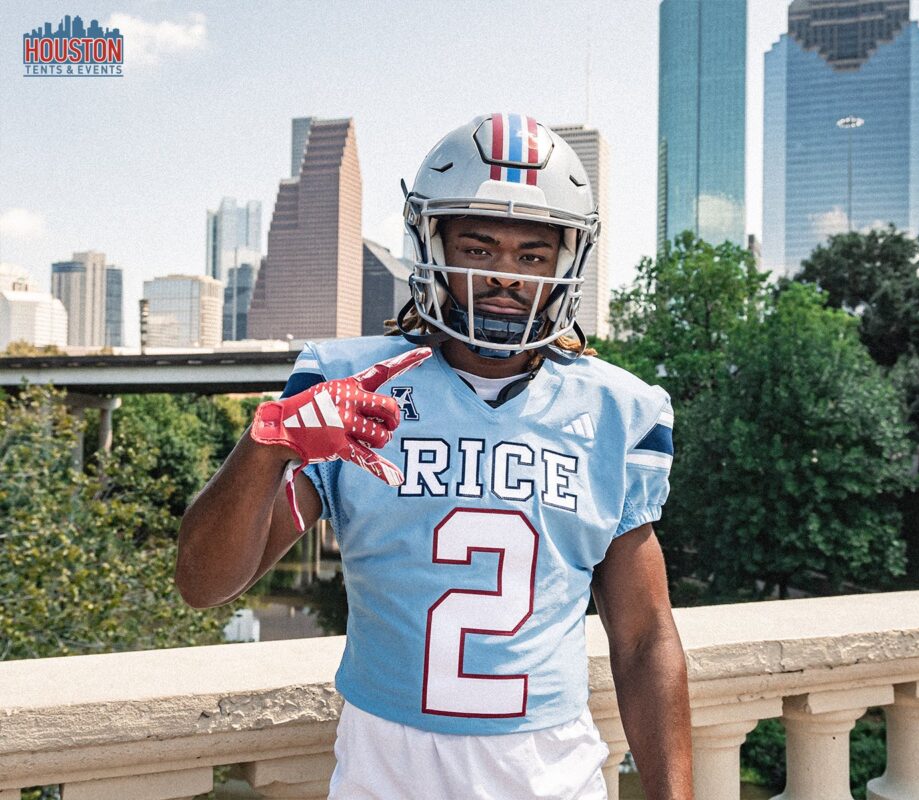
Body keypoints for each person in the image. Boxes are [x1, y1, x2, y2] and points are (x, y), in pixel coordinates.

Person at [176, 113, 693, 800]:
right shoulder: (347, 389)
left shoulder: (615, 412)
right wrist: (270, 440)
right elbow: (204, 584)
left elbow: (643, 637)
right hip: (384, 781)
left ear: (567, 263)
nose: (506, 276)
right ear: (431, 245)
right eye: (478, 249)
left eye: (532, 257)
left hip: (551, 780)